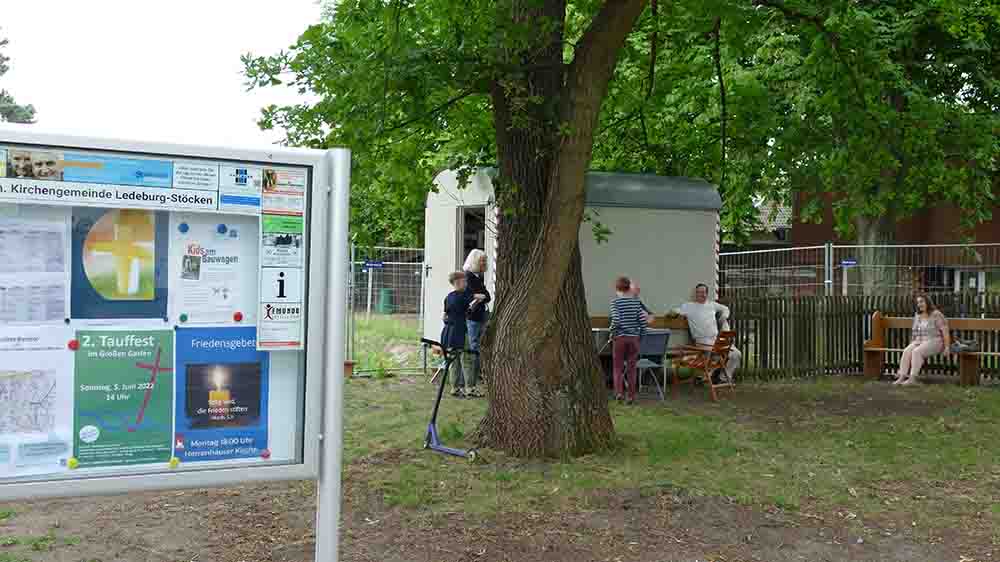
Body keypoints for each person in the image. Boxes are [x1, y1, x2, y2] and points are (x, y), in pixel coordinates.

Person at [670, 283, 742, 384]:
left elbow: (725, 308)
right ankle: (707, 376)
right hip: (702, 341)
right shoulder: (689, 306)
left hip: (716, 340)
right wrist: (672, 312)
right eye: (699, 292)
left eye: (704, 292)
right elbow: (676, 311)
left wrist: (724, 316)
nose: (701, 294)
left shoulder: (711, 305)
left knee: (736, 354)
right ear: (696, 293)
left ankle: (723, 378)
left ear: (707, 294)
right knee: (717, 355)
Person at [441, 271, 487, 397]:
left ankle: (455, 388)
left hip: (448, 332)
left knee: (453, 360)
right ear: (457, 282)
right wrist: (477, 297)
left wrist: (472, 304)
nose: (466, 283)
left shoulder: (448, 297)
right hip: (460, 331)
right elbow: (482, 297)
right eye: (464, 281)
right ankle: (470, 389)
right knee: (467, 359)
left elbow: (445, 316)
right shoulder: (464, 295)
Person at [894, 293, 950, 386]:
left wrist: (947, 347)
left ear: (927, 302)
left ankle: (912, 379)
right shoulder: (918, 315)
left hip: (936, 341)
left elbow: (945, 331)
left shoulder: (936, 314)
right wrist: (913, 342)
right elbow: (915, 331)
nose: (920, 304)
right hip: (920, 340)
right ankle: (902, 376)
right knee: (907, 351)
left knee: (917, 352)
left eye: (922, 301)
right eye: (918, 302)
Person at [610, 276, 648, 404]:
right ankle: (631, 396)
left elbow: (615, 320)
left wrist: (612, 333)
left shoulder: (615, 302)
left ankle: (619, 393)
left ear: (618, 289)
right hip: (634, 339)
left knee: (618, 368)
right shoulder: (636, 303)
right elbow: (643, 323)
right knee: (632, 369)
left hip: (620, 339)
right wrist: (640, 337)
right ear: (628, 288)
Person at [463, 249, 491, 398]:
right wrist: (478, 296)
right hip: (472, 318)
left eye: (485, 261)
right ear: (474, 261)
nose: (484, 263)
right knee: (474, 349)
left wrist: (481, 296)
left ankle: (474, 381)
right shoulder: (468, 277)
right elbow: (468, 296)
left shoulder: (477, 277)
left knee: (478, 348)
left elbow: (487, 296)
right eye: (482, 261)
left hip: (479, 317)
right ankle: (471, 384)